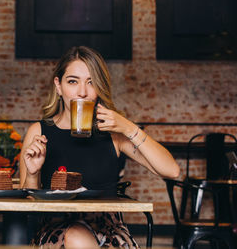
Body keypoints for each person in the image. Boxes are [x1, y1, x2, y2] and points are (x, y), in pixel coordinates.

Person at [20, 46, 180, 248]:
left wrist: (128, 127)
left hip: (109, 230)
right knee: (77, 237)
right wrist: (34, 173)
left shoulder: (114, 133)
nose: (82, 92)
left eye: (91, 82)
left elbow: (172, 170)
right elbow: (26, 208)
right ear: (58, 86)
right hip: (56, 230)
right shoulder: (39, 131)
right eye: (72, 81)